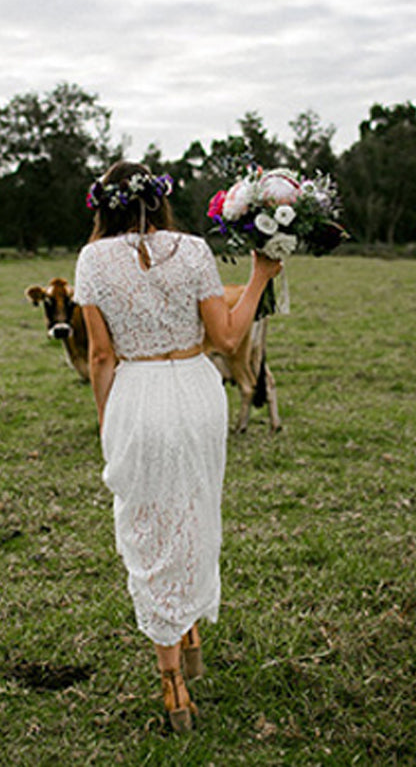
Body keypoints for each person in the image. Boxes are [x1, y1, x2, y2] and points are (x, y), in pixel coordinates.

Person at [74, 161, 282, 732]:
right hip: (195, 391)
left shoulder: (93, 260)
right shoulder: (192, 250)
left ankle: (173, 685)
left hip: (137, 394)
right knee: (192, 510)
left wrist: (105, 422)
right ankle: (187, 633)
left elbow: (99, 356)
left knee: (147, 525)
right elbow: (229, 336)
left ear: (104, 205)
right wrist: (262, 273)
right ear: (159, 200)